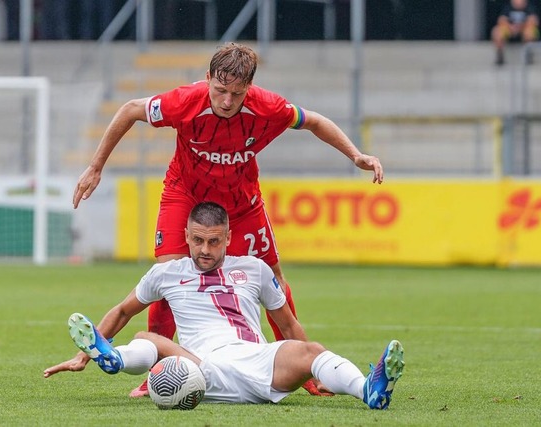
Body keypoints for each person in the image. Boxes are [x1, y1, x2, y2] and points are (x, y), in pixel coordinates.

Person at [73, 42, 384, 397]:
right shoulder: (183, 102)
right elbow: (129, 109)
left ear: (248, 88)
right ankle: (158, 372)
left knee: (275, 277)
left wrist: (355, 155)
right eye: (219, 91)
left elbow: (313, 120)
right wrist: (95, 167)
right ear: (207, 79)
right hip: (185, 191)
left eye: (236, 94)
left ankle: (308, 373)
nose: (225, 101)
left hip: (242, 200)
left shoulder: (268, 107)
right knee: (169, 271)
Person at [44, 202, 405, 409]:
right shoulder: (165, 273)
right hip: (200, 369)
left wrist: (310, 376)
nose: (204, 249)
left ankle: (368, 391)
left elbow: (289, 326)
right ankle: (114, 358)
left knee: (311, 349)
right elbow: (123, 310)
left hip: (258, 364)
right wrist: (84, 356)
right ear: (185, 236)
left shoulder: (255, 269)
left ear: (229, 238)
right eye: (197, 240)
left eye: (214, 242)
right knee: (149, 337)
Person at [491, 0, 540, 65]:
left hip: (523, 31)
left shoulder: (529, 7)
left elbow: (534, 21)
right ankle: (500, 54)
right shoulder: (508, 7)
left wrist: (521, 27)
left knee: (530, 31)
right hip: (510, 31)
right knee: (497, 31)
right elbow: (501, 20)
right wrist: (510, 27)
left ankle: (528, 53)